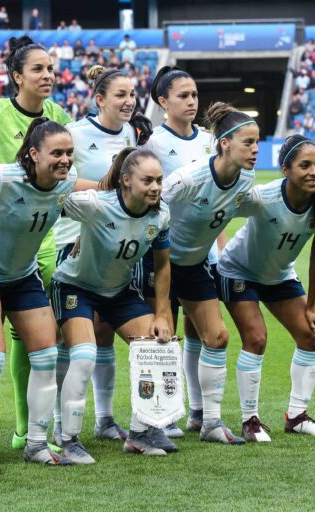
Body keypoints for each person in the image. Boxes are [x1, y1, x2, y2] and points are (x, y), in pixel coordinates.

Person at [0, 118, 95, 474]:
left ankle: (35, 443)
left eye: (69, 153)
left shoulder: (64, 183)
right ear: (33, 154)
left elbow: (84, 193)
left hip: (22, 276)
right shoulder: (2, 177)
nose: (64, 160)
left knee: (46, 355)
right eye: (56, 153)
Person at [0, 36, 72, 453]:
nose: (47, 75)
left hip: (43, 242)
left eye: (50, 69)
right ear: (16, 77)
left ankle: (24, 429)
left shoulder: (58, 114)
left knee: (33, 339)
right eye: (38, 69)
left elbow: (66, 177)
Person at [52, 64, 152, 446]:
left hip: (114, 246)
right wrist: (107, 187)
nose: (129, 102)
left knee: (106, 334)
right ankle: (63, 423)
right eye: (121, 95)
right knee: (73, 340)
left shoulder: (133, 135)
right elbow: (58, 179)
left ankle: (106, 419)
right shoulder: (76, 134)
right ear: (99, 99)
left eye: (132, 95)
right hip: (72, 241)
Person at [54, 147, 173, 464]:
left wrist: (162, 314)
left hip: (119, 291)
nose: (155, 187)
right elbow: (50, 198)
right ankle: (68, 439)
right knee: (84, 356)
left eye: (159, 180)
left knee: (157, 349)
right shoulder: (95, 204)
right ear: (125, 181)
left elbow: (162, 266)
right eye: (147, 180)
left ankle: (139, 433)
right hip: (75, 286)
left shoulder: (160, 215)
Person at [215, 135, 315, 442]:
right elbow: (219, 212)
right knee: (256, 338)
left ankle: (296, 417)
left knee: (310, 334)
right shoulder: (263, 197)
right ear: (285, 170)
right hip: (237, 270)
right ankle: (250, 420)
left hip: (279, 275)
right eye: (305, 165)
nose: (314, 172)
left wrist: (311, 304)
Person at [161, 102, 259, 445]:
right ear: (225, 144)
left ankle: (211, 423)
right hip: (159, 264)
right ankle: (157, 421)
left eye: (257, 142)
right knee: (162, 343)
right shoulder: (188, 178)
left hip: (195, 264)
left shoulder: (246, 178)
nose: (255, 150)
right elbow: (147, 207)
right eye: (248, 143)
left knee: (217, 337)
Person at [143, 66, 222, 438]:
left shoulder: (210, 140)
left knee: (204, 334)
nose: (191, 102)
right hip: (161, 253)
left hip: (199, 254)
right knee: (164, 334)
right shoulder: (153, 143)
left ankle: (199, 412)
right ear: (163, 102)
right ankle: (163, 414)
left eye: (194, 95)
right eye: (182, 96)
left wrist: (218, 249)